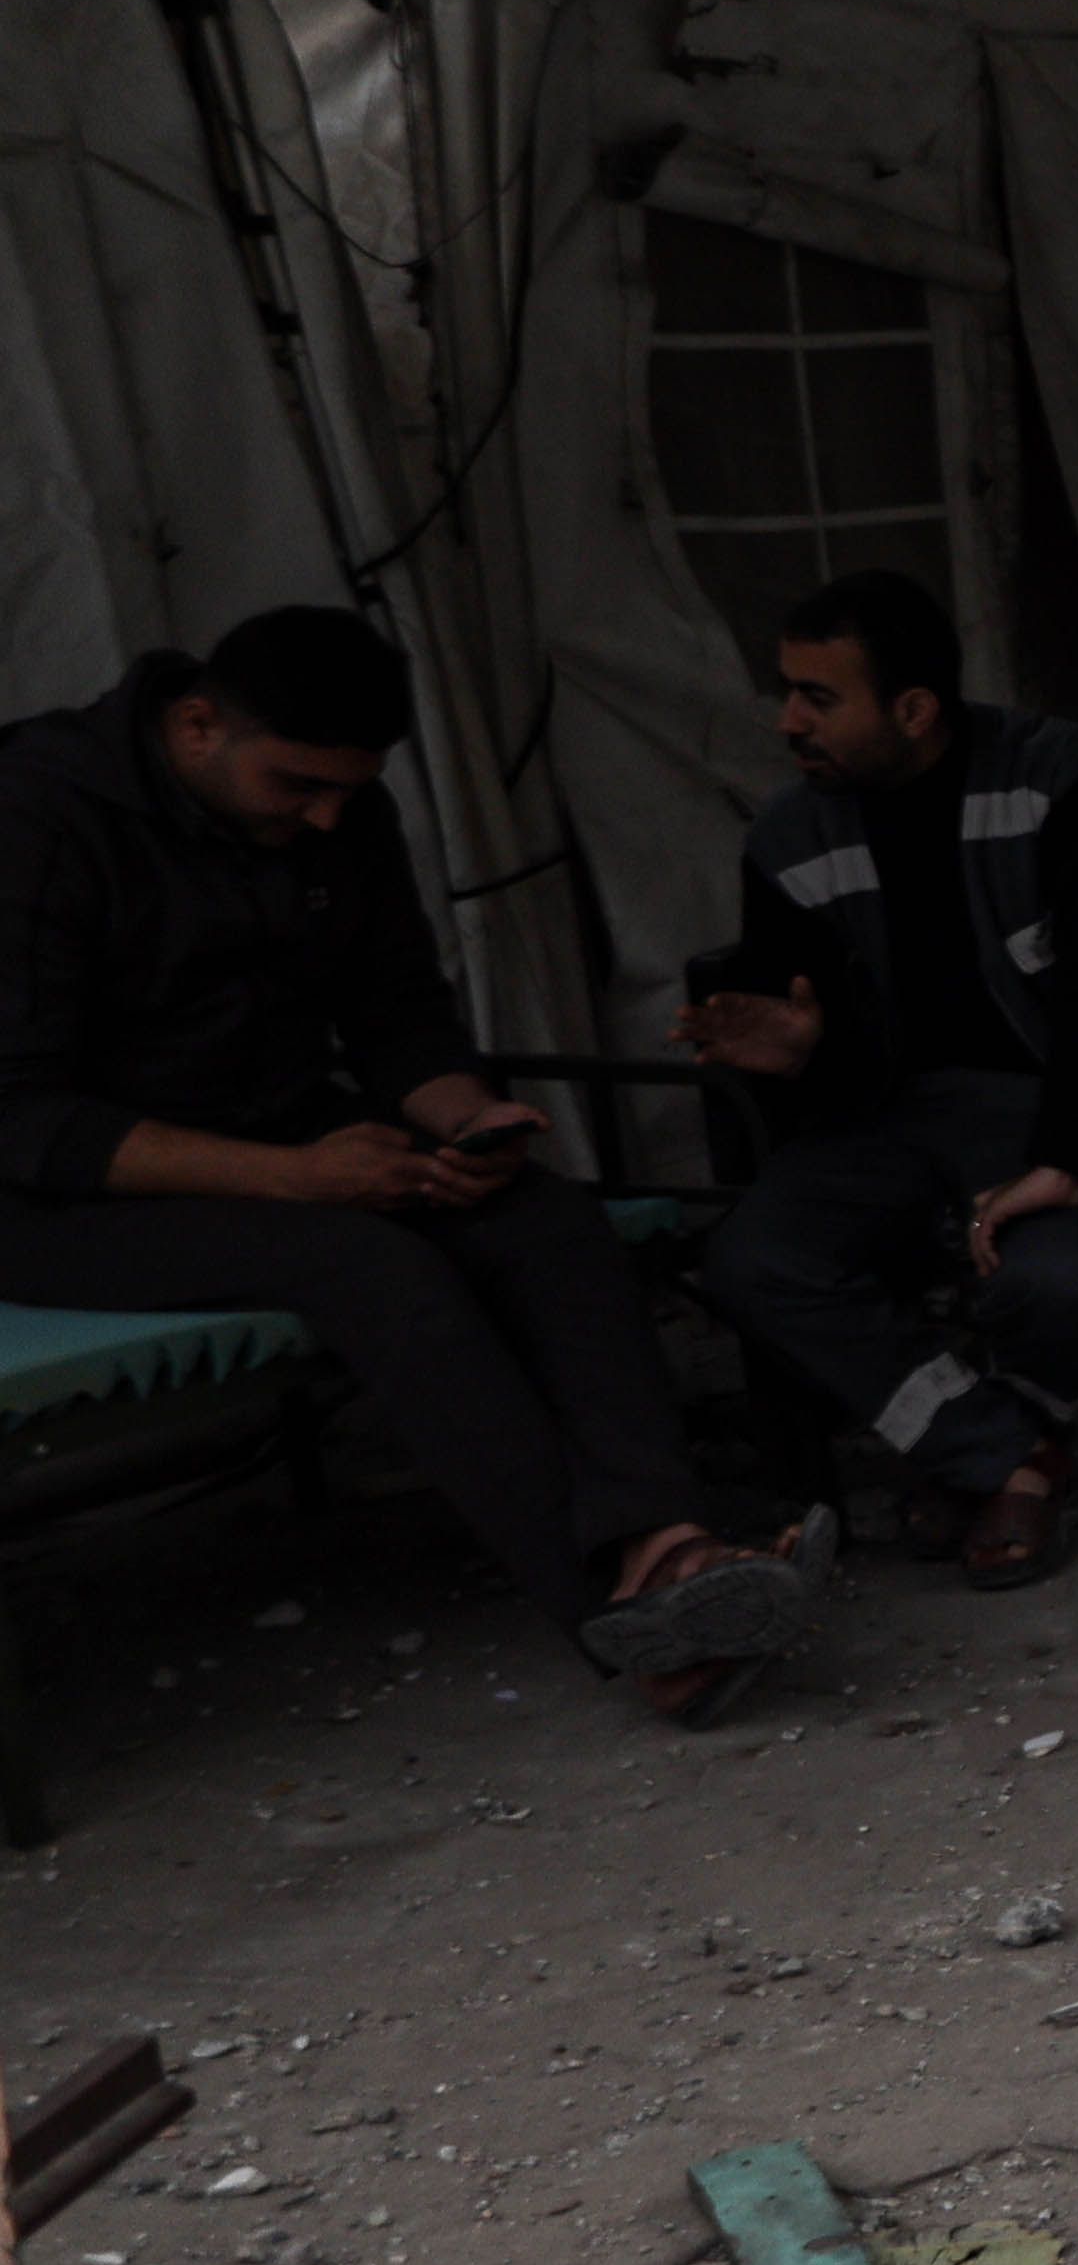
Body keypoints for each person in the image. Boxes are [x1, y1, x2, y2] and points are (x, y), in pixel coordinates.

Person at [0, 605, 814, 1718]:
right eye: (298, 786)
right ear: (196, 726)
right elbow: (21, 1116)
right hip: (60, 1198)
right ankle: (633, 1624)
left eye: (349, 790)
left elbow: (395, 1016)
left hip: (288, 1136)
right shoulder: (38, 813)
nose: (326, 816)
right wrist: (296, 1176)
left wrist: (468, 1119)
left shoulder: (338, 804)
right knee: (372, 1266)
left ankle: (665, 1544)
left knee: (546, 1221)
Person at [679, 573, 1078, 1593]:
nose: (787, 721)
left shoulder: (1064, 778)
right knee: (754, 1260)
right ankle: (1005, 1460)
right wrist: (800, 1053)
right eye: (787, 690)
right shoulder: (788, 834)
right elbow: (827, 1054)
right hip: (900, 1120)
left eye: (818, 697)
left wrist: (1067, 1160)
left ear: (913, 709)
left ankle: (980, 1463)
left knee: (1061, 1281)